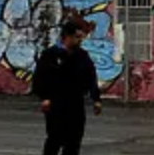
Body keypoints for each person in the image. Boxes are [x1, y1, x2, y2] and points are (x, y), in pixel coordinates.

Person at [33, 20, 103, 155]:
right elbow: (40, 78)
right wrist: (45, 97)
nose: (80, 40)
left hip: (76, 103)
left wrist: (96, 99)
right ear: (67, 36)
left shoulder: (82, 56)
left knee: (74, 140)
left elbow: (91, 77)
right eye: (77, 37)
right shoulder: (50, 54)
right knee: (55, 138)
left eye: (81, 37)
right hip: (56, 103)